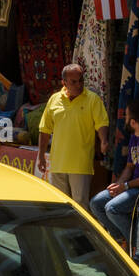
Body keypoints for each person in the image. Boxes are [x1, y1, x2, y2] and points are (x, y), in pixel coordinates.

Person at [89, 99, 139, 248]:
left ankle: (135, 245)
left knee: (112, 208)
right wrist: (119, 185)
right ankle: (121, 241)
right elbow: (129, 167)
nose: (124, 119)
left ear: (133, 122)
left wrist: (126, 186)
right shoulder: (135, 137)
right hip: (132, 187)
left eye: (126, 116)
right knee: (96, 203)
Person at [36, 63, 109, 209]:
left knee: (80, 206)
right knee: (60, 205)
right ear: (64, 83)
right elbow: (44, 129)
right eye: (73, 82)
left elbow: (101, 123)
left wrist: (104, 140)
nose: (78, 85)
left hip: (80, 164)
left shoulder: (92, 99)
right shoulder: (54, 99)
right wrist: (41, 155)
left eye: (81, 80)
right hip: (57, 163)